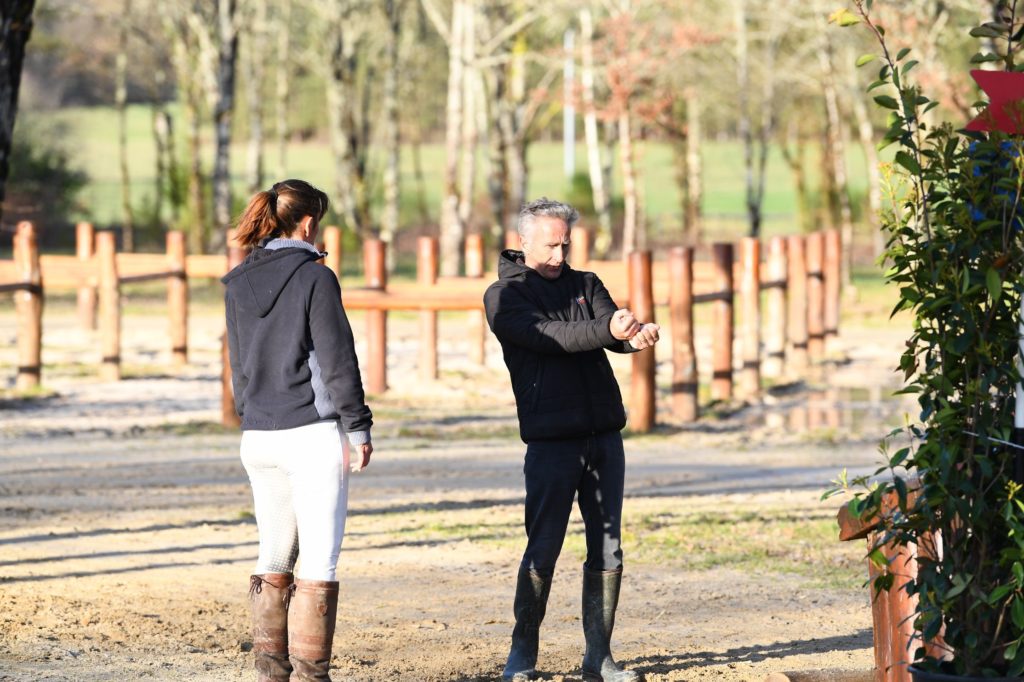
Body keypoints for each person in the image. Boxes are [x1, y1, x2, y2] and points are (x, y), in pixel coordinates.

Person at [483, 198, 659, 682]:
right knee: (543, 546)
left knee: (608, 547)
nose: (560, 255)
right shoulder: (503, 297)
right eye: (550, 245)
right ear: (523, 242)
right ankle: (523, 654)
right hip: (550, 441)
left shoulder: (587, 284)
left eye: (566, 243)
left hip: (604, 437)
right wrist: (606, 328)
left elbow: (610, 331)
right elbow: (552, 337)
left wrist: (632, 335)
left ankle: (598, 658)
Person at [223, 179, 374, 682]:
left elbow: (238, 364)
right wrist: (358, 425)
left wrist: (251, 414)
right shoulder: (316, 277)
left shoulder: (239, 278)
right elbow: (337, 360)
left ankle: (272, 674)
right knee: (320, 561)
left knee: (273, 552)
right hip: (310, 434)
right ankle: (312, 676)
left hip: (258, 437)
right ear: (308, 224)